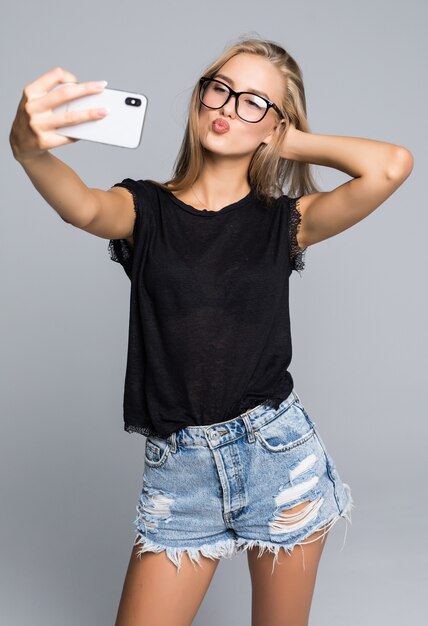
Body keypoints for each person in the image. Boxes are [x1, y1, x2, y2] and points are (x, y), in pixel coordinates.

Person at [10, 35, 413, 626]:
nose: (227, 107)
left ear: (277, 124)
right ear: (200, 96)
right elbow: (82, 208)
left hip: (279, 455)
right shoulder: (143, 208)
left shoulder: (287, 222)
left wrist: (290, 140)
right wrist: (28, 149)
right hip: (181, 469)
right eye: (219, 89)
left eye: (253, 101)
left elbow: (391, 165)